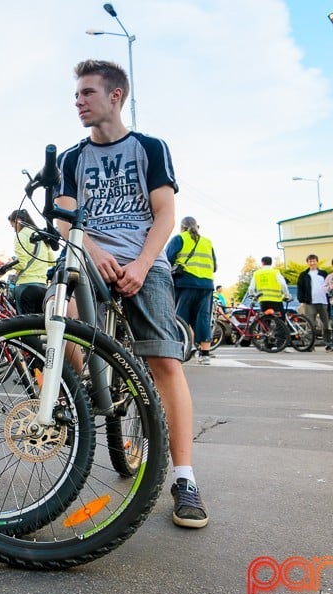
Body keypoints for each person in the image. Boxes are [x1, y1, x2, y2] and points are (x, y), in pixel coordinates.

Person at [54, 60, 207, 528]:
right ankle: (85, 386)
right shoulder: (71, 158)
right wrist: (94, 250)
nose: (78, 101)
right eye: (76, 94)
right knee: (56, 313)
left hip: (146, 263)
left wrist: (141, 264)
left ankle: (184, 478)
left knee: (164, 363)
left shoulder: (149, 148)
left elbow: (164, 213)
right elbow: (64, 219)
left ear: (115, 95)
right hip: (90, 260)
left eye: (87, 93)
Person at [165, 216, 217, 365]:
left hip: (185, 283)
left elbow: (166, 259)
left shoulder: (178, 239)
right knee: (203, 318)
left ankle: (181, 351)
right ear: (197, 226)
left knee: (181, 317)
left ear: (182, 227)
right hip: (206, 285)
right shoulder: (207, 242)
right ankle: (205, 354)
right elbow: (214, 266)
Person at [8, 209, 54, 314]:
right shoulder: (41, 235)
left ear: (18, 221)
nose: (14, 230)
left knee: (26, 326)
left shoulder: (21, 235)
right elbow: (51, 261)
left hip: (26, 287)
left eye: (13, 226)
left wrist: (10, 264)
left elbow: (22, 263)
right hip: (43, 287)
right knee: (41, 325)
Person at [295, 254, 330, 346]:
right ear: (307, 263)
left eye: (314, 261)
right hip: (309, 302)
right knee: (310, 324)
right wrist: (301, 299)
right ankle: (309, 344)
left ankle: (328, 343)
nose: (312, 263)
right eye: (310, 261)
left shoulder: (323, 273)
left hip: (323, 301)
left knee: (326, 324)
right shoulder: (303, 275)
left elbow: (329, 285)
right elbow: (300, 287)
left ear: (317, 262)